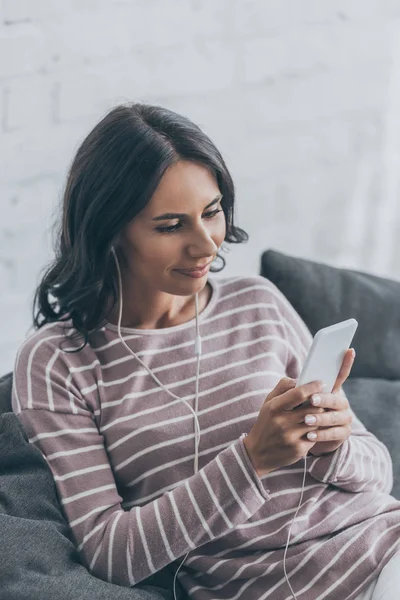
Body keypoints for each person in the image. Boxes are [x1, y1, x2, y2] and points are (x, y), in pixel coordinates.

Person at [11, 103, 400, 600]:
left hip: (384, 548)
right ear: (109, 232)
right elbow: (108, 553)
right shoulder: (59, 362)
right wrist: (251, 459)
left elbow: (378, 469)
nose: (207, 247)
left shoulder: (255, 301)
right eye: (171, 226)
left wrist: (335, 444)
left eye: (212, 212)